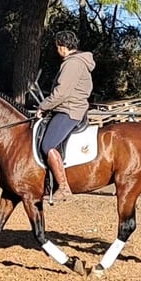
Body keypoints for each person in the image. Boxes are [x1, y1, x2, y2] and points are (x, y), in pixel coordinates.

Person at [35, 30, 96, 203]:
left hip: (69, 110)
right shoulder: (78, 62)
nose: (57, 51)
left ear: (62, 47)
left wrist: (43, 106)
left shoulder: (72, 63)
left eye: (57, 47)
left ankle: (63, 187)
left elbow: (61, 92)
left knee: (47, 145)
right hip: (70, 107)